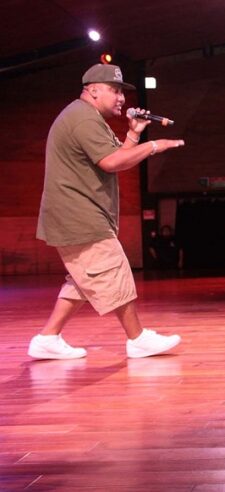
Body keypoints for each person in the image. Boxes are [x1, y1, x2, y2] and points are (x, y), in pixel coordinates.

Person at [28, 63, 185, 360]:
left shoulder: (88, 118)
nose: (122, 99)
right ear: (93, 90)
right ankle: (137, 339)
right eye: (115, 91)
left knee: (83, 281)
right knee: (114, 270)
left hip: (77, 213)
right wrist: (153, 146)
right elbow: (111, 163)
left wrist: (134, 134)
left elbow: (118, 156)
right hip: (78, 214)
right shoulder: (82, 119)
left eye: (122, 92)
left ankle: (47, 338)